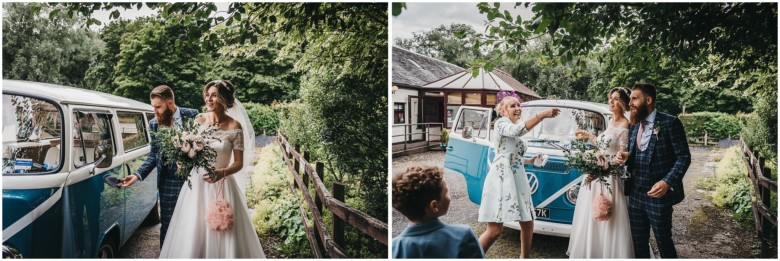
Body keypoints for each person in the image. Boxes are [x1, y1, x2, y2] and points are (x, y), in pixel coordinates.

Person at [156, 80, 265, 258]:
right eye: (207, 95)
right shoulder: (199, 120)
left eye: (214, 95)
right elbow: (188, 147)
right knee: (193, 230)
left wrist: (221, 173)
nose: (209, 99)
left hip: (222, 183)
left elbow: (238, 163)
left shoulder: (234, 127)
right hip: (197, 186)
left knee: (224, 232)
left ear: (224, 98)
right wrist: (183, 160)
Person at [478, 91, 560, 258]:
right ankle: (472, 256)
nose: (517, 108)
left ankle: (524, 257)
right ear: (502, 110)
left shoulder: (515, 126)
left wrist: (530, 161)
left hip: (517, 177)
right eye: (512, 105)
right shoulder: (501, 123)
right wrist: (542, 115)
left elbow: (513, 155)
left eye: (518, 105)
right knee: (494, 230)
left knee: (528, 220)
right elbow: (516, 131)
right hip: (502, 178)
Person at [615, 83, 691, 258]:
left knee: (664, 242)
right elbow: (636, 155)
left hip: (659, 196)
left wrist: (667, 181)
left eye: (634, 98)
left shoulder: (670, 122)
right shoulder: (634, 125)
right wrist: (626, 157)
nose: (630, 103)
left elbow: (683, 157)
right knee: (639, 244)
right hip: (635, 194)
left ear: (648, 100)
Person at [120, 85, 199, 247]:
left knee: (193, 227)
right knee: (168, 227)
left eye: (158, 107)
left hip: (194, 183)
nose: (154, 111)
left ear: (170, 103)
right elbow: (153, 155)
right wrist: (136, 175)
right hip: (168, 183)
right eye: (153, 107)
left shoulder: (193, 115)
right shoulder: (154, 124)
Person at [567, 87, 634, 258]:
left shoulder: (626, 125)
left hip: (610, 178)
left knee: (610, 219)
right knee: (590, 218)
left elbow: (621, 156)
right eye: (610, 98)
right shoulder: (610, 121)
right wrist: (589, 136)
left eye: (616, 99)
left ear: (624, 103)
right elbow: (603, 147)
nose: (611, 102)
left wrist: (602, 169)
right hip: (596, 176)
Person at [392, 166, 484, 258]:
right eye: (447, 192)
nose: (449, 195)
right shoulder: (463, 235)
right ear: (434, 206)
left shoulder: (395, 247)